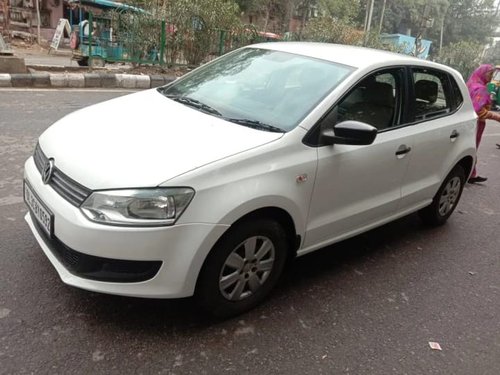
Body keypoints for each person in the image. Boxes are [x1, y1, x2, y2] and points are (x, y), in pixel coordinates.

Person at [466, 64, 500, 184]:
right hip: (476, 125)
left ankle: (471, 173)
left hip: (466, 122)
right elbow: (479, 111)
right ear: (483, 74)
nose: (491, 77)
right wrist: (496, 117)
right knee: (472, 148)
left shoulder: (470, 84)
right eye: (489, 74)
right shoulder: (481, 88)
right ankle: (469, 174)